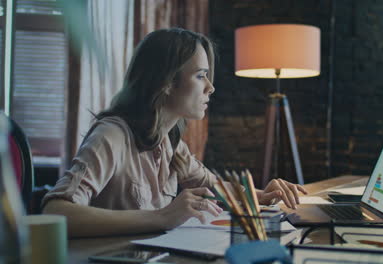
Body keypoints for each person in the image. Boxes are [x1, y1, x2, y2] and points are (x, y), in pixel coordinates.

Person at [42, 28, 308, 237]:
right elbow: (56, 213)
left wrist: (260, 194)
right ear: (167, 82)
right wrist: (163, 216)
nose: (211, 88)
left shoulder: (169, 139)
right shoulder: (111, 136)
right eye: (201, 76)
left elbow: (211, 187)